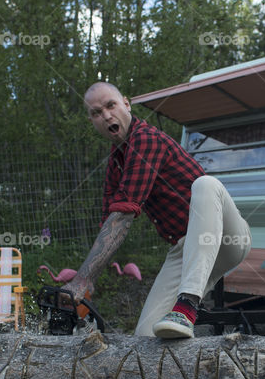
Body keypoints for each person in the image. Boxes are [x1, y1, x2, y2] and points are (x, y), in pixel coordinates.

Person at [63, 81, 251, 338]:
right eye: (97, 113)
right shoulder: (116, 163)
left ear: (126, 105)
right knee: (146, 336)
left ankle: (187, 307)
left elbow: (122, 218)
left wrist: (82, 279)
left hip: (227, 237)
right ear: (92, 121)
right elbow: (109, 224)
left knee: (206, 185)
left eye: (111, 105)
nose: (106, 115)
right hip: (185, 248)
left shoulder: (146, 139)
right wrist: (89, 280)